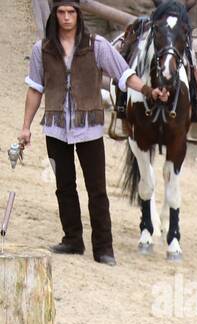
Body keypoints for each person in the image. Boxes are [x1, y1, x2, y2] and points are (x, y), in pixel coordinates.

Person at [18, 0, 170, 266]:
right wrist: (25, 127)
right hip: (55, 128)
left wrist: (148, 91)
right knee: (64, 187)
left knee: (97, 189)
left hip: (89, 129)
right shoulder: (41, 49)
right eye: (62, 12)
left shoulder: (97, 45)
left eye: (71, 12)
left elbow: (124, 75)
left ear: (78, 15)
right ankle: (72, 240)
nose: (66, 18)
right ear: (55, 15)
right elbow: (34, 89)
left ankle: (103, 248)